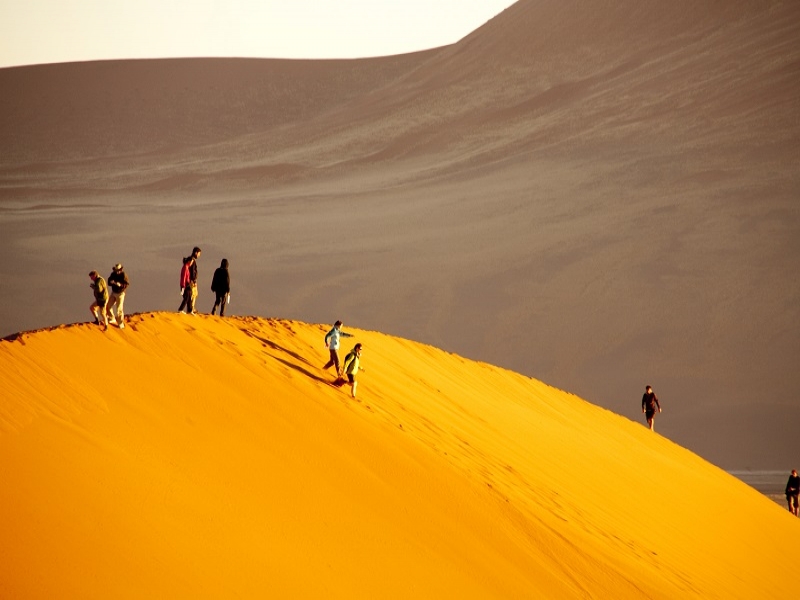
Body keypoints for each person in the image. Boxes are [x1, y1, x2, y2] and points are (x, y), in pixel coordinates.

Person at [178, 247, 201, 314]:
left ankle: (190, 310)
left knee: (189, 296)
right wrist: (183, 286)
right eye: (199, 253)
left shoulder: (187, 267)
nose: (191, 263)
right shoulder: (186, 267)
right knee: (187, 297)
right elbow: (184, 277)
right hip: (186, 284)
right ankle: (181, 309)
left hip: (187, 283)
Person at [106, 263, 129, 328]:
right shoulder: (113, 274)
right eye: (116, 270)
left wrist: (120, 285)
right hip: (114, 292)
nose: (117, 272)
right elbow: (109, 282)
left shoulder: (123, 275)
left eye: (119, 270)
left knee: (119, 309)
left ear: (121, 270)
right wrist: (111, 282)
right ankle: (112, 318)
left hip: (121, 293)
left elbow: (126, 284)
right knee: (108, 305)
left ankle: (120, 323)